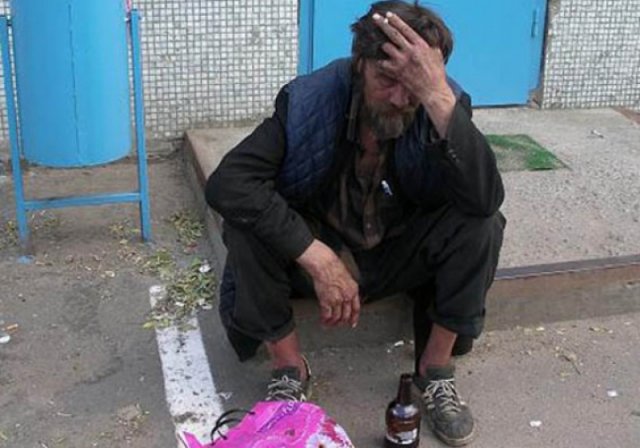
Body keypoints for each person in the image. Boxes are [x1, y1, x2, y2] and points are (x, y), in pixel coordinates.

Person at [205, 1, 505, 445]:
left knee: (482, 223)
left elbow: (484, 199)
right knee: (246, 225)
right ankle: (289, 369)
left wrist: (437, 95)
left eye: (413, 82)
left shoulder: (441, 104)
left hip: (397, 252)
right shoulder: (310, 99)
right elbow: (228, 183)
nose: (400, 98)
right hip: (322, 247)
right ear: (360, 64)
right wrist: (317, 257)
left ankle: (435, 370)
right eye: (387, 79)